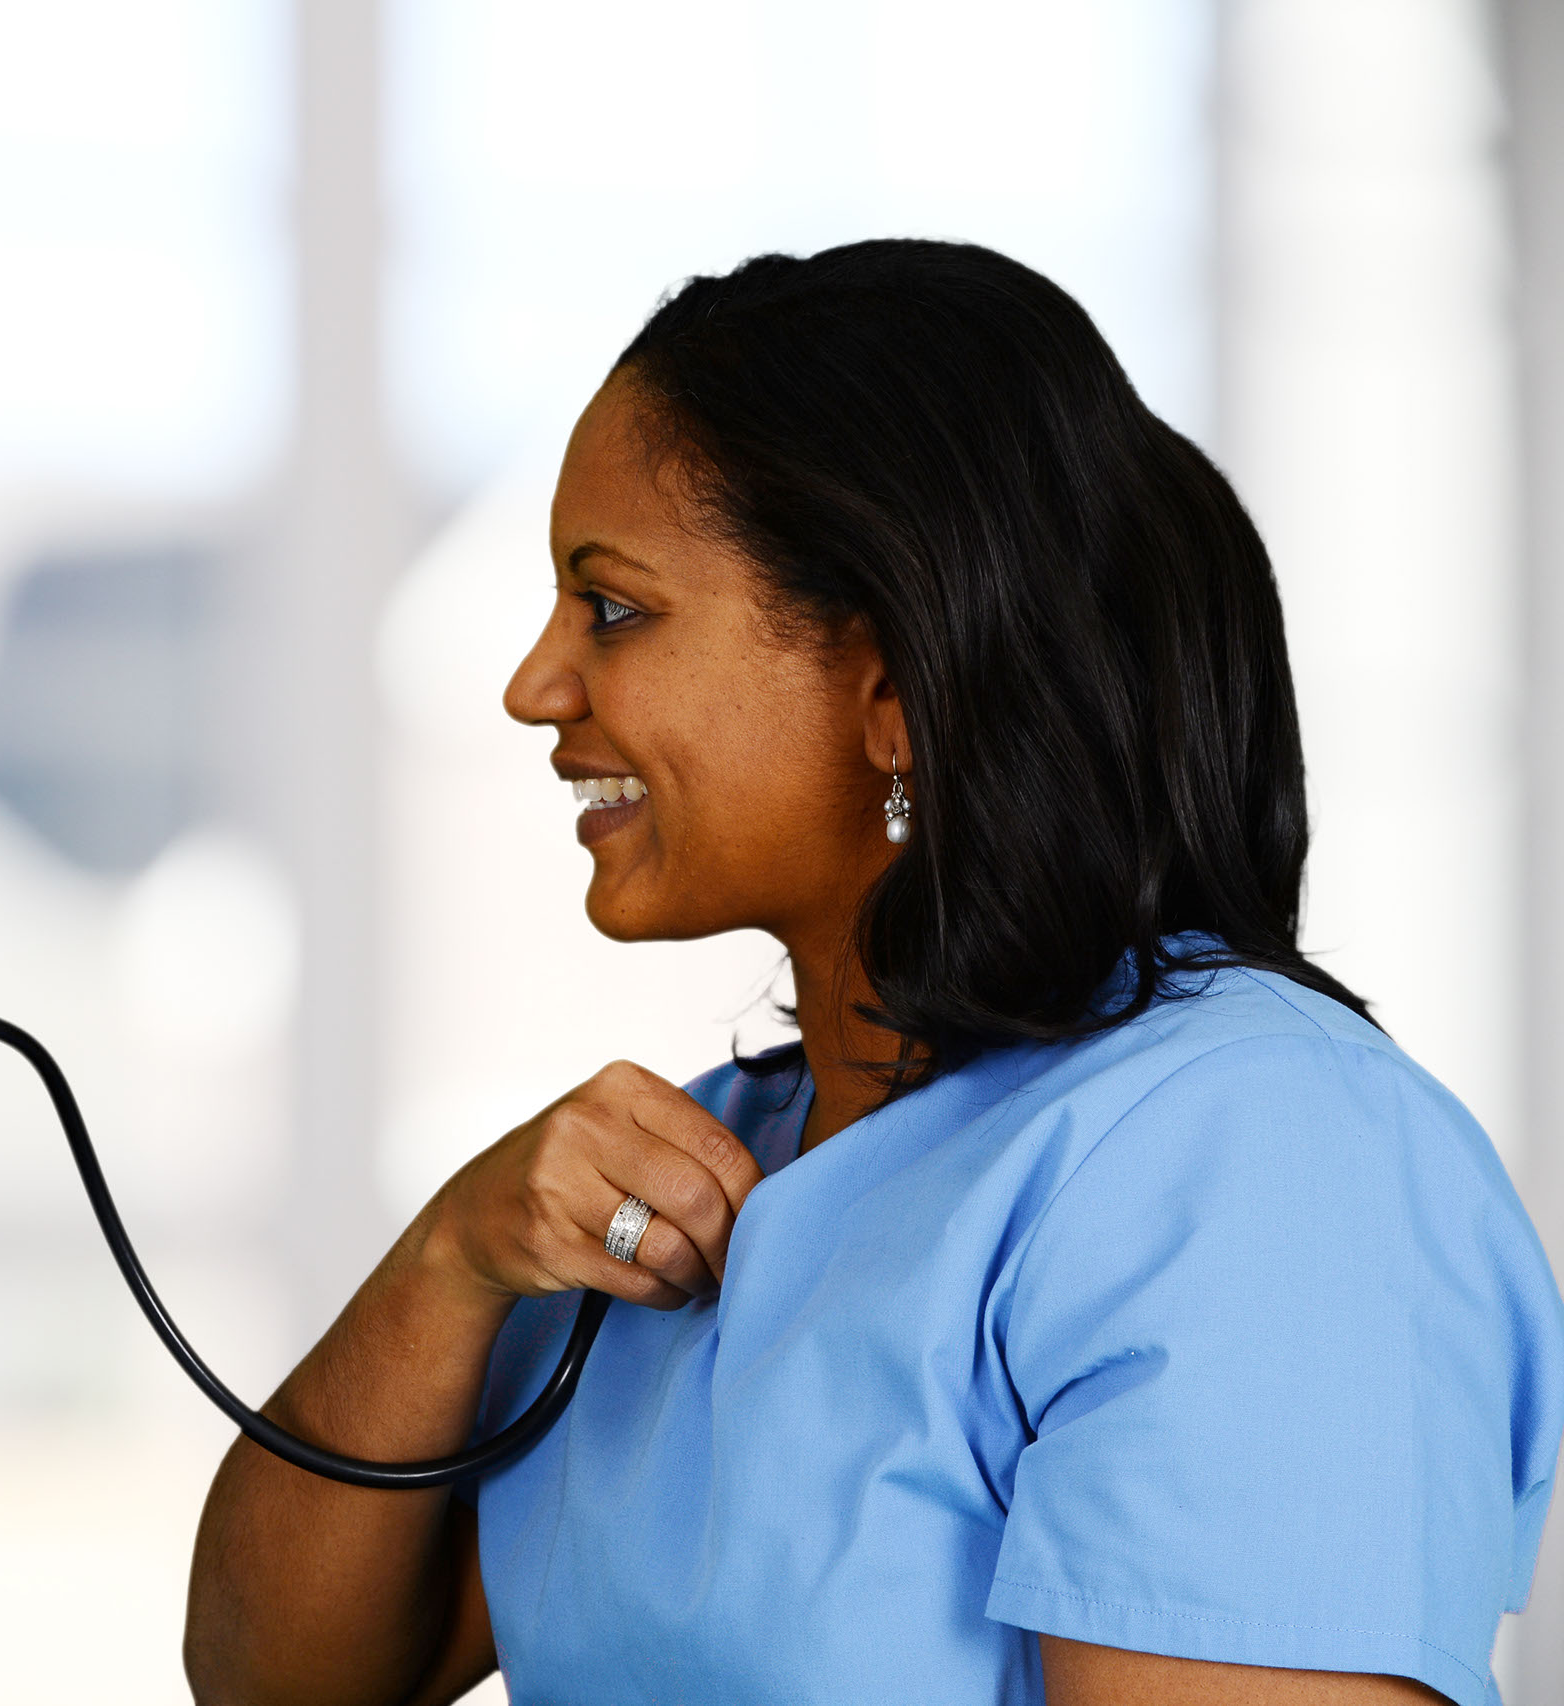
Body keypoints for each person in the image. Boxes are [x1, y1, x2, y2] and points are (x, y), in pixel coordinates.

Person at [185, 240, 1564, 1705]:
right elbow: (274, 1684)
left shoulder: (1250, 1154)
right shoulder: (702, 1173)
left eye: (613, 607)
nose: (534, 685)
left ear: (895, 685)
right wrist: (451, 1259)